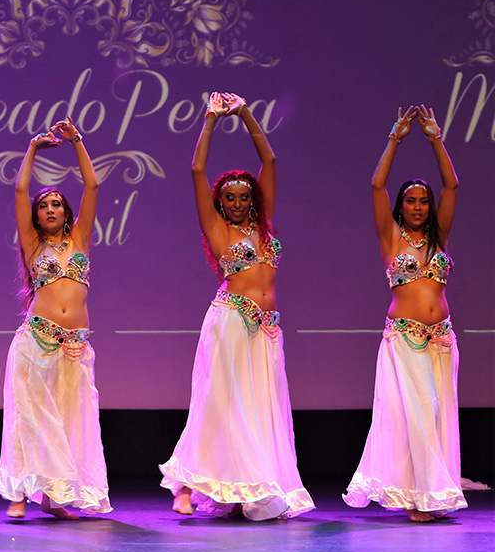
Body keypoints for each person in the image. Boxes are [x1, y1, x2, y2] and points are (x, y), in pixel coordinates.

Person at [159, 92, 313, 520]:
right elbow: (197, 170)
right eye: (231, 197)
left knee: (259, 410)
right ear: (220, 201)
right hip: (230, 323)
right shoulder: (217, 229)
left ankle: (248, 485)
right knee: (220, 405)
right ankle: (185, 485)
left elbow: (271, 160)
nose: (239, 202)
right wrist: (210, 119)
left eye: (245, 196)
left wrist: (245, 113)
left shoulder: (263, 227)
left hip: (266, 330)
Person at [343, 105, 465, 522]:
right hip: (406, 338)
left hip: (442, 339)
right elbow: (376, 185)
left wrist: (435, 138)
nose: (418, 207)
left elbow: (452, 185)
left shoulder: (438, 238)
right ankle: (417, 498)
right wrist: (395, 139)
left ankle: (432, 492)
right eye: (411, 201)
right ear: (401, 206)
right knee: (419, 410)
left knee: (436, 414)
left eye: (423, 201)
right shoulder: (391, 238)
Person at [0, 117, 111, 520]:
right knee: (29, 420)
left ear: (66, 211)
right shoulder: (32, 244)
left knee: (68, 421)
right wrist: (31, 148)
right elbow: (20, 189)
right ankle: (18, 494)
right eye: (43, 206)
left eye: (56, 204)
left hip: (74, 346)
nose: (49, 209)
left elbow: (93, 186)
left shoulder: (80, 239)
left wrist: (77, 141)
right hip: (37, 342)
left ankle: (54, 497)